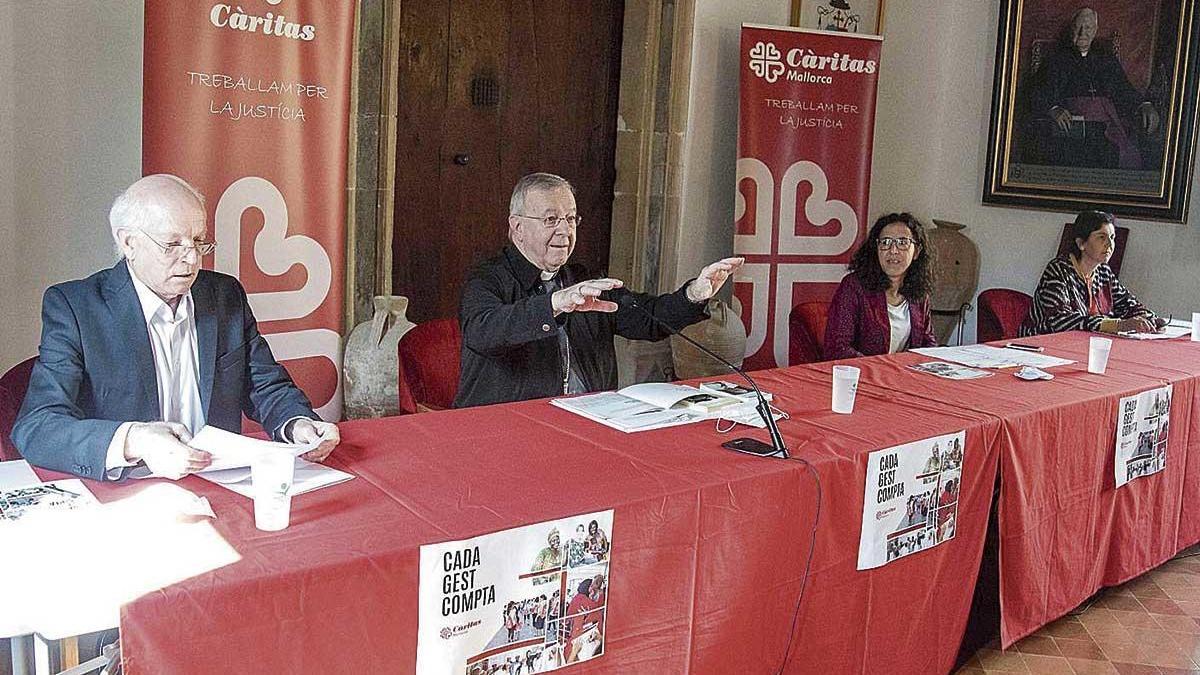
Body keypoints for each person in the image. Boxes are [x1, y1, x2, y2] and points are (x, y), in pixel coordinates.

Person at [13, 175, 339, 481]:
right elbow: (37, 427)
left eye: (198, 241)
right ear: (129, 243)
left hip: (221, 482)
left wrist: (298, 423)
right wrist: (136, 440)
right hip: (129, 488)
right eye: (172, 244)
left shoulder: (224, 296)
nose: (192, 259)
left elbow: (265, 386)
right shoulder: (76, 307)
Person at [454, 172, 743, 408]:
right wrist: (555, 303)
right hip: (509, 430)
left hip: (590, 420)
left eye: (570, 219)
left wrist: (694, 294)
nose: (565, 231)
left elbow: (648, 318)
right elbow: (483, 331)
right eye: (551, 220)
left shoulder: (583, 279)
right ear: (517, 227)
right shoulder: (487, 278)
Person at [1029, 7, 1159, 169]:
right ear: (1072, 28)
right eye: (1079, 27)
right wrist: (1053, 109)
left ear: (1095, 30)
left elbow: (1123, 89)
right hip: (1072, 128)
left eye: (1088, 27)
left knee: (1117, 152)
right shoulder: (1056, 60)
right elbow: (1037, 92)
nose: (1083, 32)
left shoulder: (1106, 59)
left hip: (1106, 127)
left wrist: (1144, 104)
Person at [1020, 210, 1164, 336]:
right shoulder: (1058, 270)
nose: (1110, 244)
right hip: (1042, 345)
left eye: (1112, 237)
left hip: (1083, 345)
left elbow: (1128, 304)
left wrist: (1146, 318)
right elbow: (1061, 321)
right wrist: (1119, 325)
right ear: (1081, 243)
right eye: (1101, 237)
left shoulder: (1103, 271)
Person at [823, 213, 937, 360]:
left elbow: (928, 344)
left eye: (903, 243)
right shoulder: (854, 286)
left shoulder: (918, 292)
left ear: (917, 251)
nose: (893, 250)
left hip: (903, 377)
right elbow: (837, 348)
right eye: (885, 242)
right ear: (875, 249)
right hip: (862, 376)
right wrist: (883, 369)